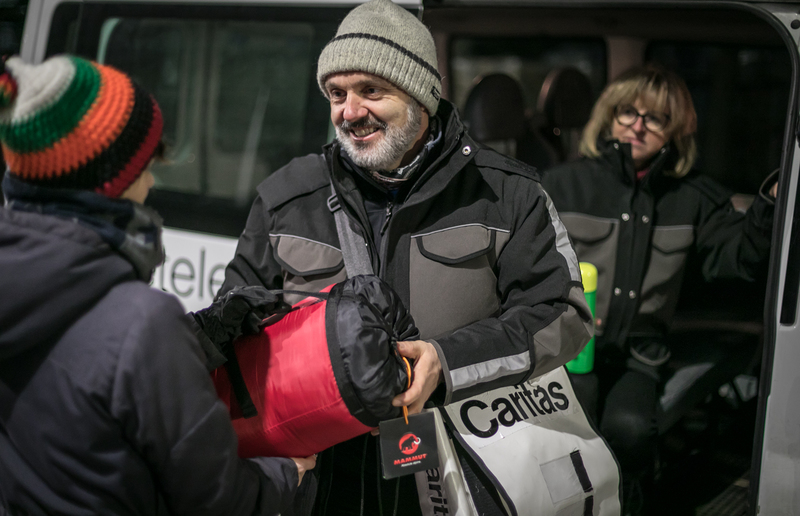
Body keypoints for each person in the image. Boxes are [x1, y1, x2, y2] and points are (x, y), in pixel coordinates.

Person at [191, 0, 593, 514]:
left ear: (421, 94)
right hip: (320, 484)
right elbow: (236, 333)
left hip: (459, 466)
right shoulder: (285, 197)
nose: (350, 112)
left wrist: (447, 363)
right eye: (337, 94)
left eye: (370, 90)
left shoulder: (508, 192)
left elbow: (563, 313)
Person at [0, 55, 315, 515]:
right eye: (146, 164)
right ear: (108, 180)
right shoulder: (142, 323)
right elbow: (217, 498)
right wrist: (288, 473)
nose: (151, 181)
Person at [541, 65, 777, 513]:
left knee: (630, 430)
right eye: (627, 112)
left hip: (641, 352)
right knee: (573, 427)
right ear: (609, 117)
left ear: (675, 132)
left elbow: (741, 257)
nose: (638, 125)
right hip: (571, 347)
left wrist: (770, 201)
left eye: (655, 118)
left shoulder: (695, 196)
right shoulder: (561, 185)